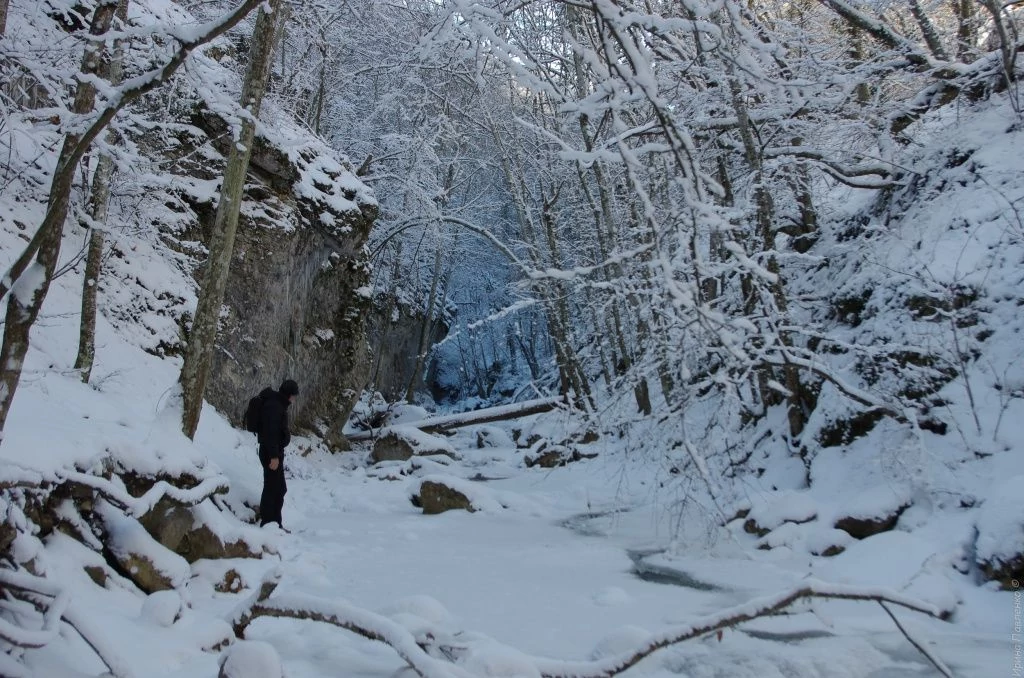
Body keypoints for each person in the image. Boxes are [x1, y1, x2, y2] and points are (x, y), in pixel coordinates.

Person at [258, 379, 298, 530]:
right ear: (289, 395)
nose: (294, 399)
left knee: (279, 488)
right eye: (294, 396)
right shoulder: (275, 407)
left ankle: (275, 524)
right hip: (271, 454)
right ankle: (268, 524)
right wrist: (274, 456)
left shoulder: (277, 404)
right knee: (272, 488)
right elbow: (271, 433)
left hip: (274, 452)